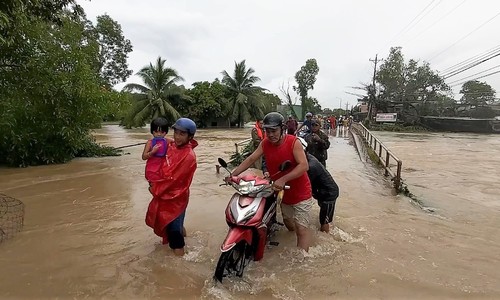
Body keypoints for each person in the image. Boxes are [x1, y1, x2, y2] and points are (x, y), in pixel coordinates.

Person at [228, 112, 313, 252]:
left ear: (282, 129)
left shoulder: (293, 142)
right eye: (267, 131)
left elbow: (304, 166)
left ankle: (301, 262)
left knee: (301, 229)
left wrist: (283, 178)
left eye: (274, 130)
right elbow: (251, 159)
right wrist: (233, 175)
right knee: (288, 223)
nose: (271, 134)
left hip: (301, 193)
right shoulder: (265, 143)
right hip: (283, 192)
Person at [145, 117, 198, 256]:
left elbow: (173, 180)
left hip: (176, 197)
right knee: (176, 224)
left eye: (182, 134)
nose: (177, 137)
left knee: (174, 234)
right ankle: (188, 239)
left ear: (190, 136)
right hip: (166, 194)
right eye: (176, 132)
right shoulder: (172, 145)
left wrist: (154, 189)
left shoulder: (189, 156)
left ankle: (179, 265)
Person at [298, 137, 339, 233]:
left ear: (305, 151)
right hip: (321, 192)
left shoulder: (311, 166)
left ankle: (326, 238)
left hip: (329, 194)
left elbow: (305, 185)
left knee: (324, 221)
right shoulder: (308, 158)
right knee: (324, 215)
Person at [142, 117, 172, 187]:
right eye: (156, 132)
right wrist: (152, 152)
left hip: (163, 170)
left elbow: (178, 144)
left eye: (162, 132)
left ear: (166, 132)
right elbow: (144, 157)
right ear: (152, 131)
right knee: (154, 188)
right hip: (152, 170)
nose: (159, 134)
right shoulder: (150, 143)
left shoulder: (168, 141)